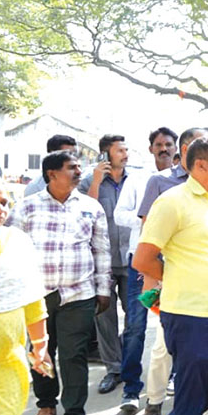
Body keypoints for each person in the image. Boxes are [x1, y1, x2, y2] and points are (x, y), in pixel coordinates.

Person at [133, 137, 208, 415]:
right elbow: (143, 260)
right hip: (188, 311)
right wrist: (180, 278)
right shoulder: (171, 201)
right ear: (200, 166)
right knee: (191, 389)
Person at [6, 151, 110, 415]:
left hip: (79, 293)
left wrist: (103, 289)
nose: (79, 172)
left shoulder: (91, 207)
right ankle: (46, 405)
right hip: (38, 295)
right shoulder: (26, 207)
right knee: (41, 353)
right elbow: (10, 250)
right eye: (72, 168)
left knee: (74, 354)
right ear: (52, 174)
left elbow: (101, 250)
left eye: (79, 167)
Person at [0, 171, 51, 415]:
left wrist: (40, 347)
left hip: (4, 364)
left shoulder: (17, 243)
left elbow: (32, 297)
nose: (0, 210)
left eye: (4, 202)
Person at [113, 126, 177, 415]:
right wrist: (149, 219)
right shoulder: (139, 179)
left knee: (174, 326)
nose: (164, 149)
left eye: (168, 144)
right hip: (141, 261)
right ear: (151, 148)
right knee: (136, 326)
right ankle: (131, 389)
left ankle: (171, 380)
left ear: (177, 148)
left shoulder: (184, 180)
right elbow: (119, 214)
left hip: (174, 262)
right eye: (159, 144)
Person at [79, 134, 131, 397]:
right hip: (102, 261)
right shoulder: (90, 181)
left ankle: (126, 361)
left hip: (131, 260)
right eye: (119, 150)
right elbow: (84, 213)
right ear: (105, 155)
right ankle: (113, 368)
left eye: (126, 149)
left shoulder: (136, 180)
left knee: (136, 315)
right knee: (105, 319)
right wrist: (97, 181)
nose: (125, 153)